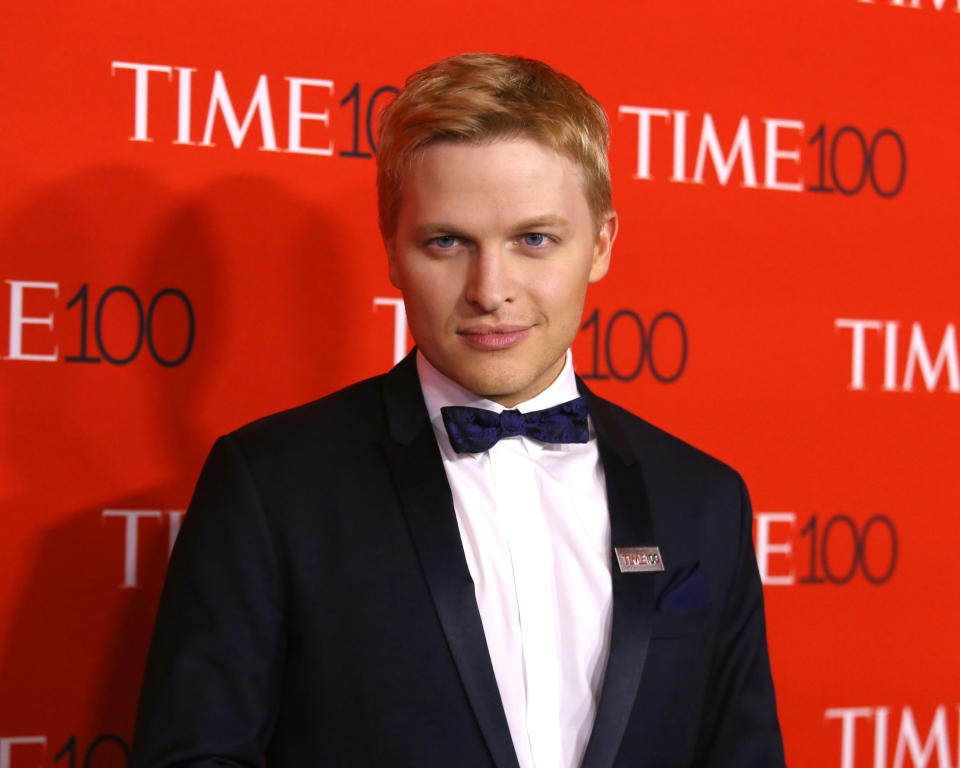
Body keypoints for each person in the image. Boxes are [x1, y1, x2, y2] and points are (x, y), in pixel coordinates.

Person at [132, 53, 786, 768]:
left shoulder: (703, 497)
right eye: (447, 242)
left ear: (600, 245)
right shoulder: (272, 486)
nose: (489, 288)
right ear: (391, 252)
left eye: (534, 240)